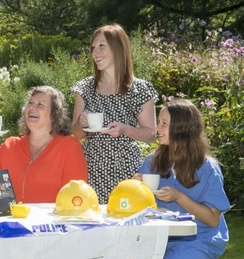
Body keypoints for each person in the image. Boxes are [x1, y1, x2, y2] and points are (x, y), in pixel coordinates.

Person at [70, 23, 157, 204]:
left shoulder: (140, 89)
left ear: (118, 48)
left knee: (127, 224)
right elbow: (76, 135)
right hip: (91, 169)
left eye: (102, 46)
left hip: (127, 172)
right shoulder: (85, 88)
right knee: (93, 227)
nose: (95, 52)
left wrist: (124, 129)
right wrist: (81, 123)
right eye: (93, 47)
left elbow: (150, 134)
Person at [134, 98, 230, 258]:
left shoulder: (207, 168)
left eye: (164, 123)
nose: (157, 128)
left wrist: (179, 197)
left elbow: (213, 220)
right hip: (158, 236)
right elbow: (139, 205)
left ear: (183, 129)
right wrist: (135, 187)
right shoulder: (152, 162)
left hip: (197, 238)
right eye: (158, 122)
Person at [0, 86, 88, 203]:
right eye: (30, 103)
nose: (32, 108)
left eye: (40, 105)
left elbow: (76, 195)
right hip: (11, 219)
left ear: (54, 115)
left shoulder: (69, 147)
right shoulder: (10, 145)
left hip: (51, 220)